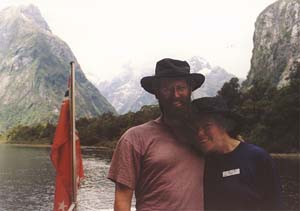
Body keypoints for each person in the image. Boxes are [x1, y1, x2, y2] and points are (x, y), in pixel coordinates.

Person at [107, 58, 206, 211]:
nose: (175, 94)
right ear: (157, 94)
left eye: (181, 88)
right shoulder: (134, 138)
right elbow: (122, 199)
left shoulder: (205, 136)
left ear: (190, 90)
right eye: (167, 89)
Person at [187, 97, 282, 210]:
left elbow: (274, 203)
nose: (199, 133)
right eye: (196, 128)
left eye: (207, 126)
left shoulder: (257, 157)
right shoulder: (201, 162)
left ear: (224, 125)